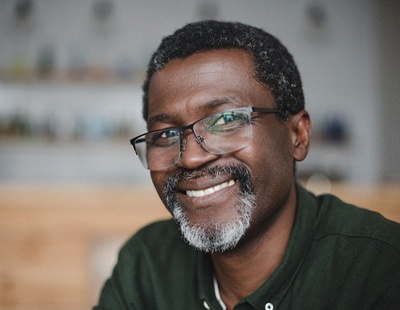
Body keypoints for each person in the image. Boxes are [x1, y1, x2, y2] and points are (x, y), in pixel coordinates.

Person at [94, 21, 400, 310]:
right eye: (164, 135)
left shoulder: (380, 268)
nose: (190, 158)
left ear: (298, 135)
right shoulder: (146, 265)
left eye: (226, 120)